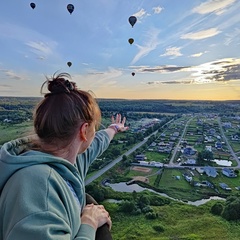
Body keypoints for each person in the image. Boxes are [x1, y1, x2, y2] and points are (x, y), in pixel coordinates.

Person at [0, 72, 129, 240]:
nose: (95, 133)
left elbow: (97, 142)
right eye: (93, 128)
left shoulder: (68, 161)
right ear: (83, 131)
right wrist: (89, 223)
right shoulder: (38, 188)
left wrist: (114, 128)